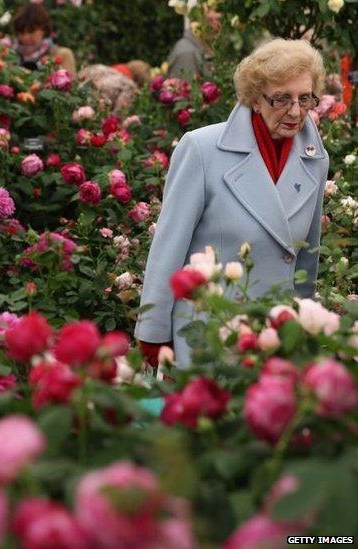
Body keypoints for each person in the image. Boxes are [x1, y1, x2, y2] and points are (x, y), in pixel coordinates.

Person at [135, 38, 329, 368]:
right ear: (255, 99)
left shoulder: (314, 156)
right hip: (209, 336)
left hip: (273, 339)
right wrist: (153, 334)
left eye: (305, 98)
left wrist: (303, 328)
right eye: (281, 98)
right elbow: (167, 250)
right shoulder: (202, 149)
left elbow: (305, 257)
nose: (296, 111)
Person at [12, 4, 76, 77]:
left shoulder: (61, 55)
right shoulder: (10, 57)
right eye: (21, 32)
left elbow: (69, 85)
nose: (25, 37)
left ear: (44, 29)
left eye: (31, 31)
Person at [78, 60, 151, 112]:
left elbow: (79, 76)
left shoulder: (101, 67)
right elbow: (118, 114)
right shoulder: (129, 86)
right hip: (87, 110)